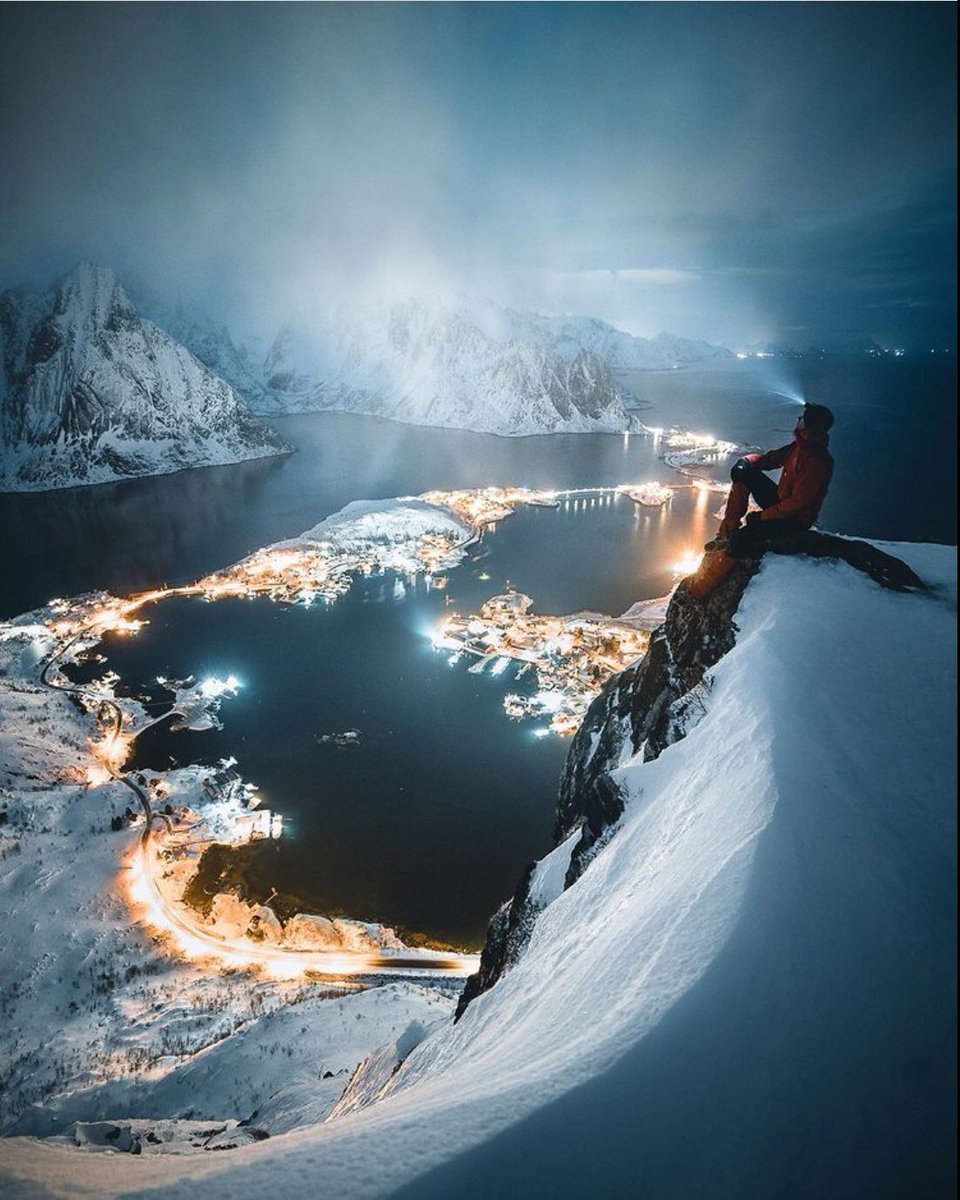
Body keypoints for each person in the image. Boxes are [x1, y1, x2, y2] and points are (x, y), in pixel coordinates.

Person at [688, 402, 835, 597]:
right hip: (781, 504)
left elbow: (798, 503)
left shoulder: (817, 460)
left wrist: (764, 516)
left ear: (809, 425)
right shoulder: (798, 448)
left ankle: (704, 588)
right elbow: (769, 460)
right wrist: (747, 461)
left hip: (794, 519)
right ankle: (729, 526)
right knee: (745, 474)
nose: (798, 421)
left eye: (802, 418)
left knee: (743, 539)